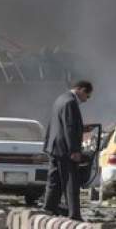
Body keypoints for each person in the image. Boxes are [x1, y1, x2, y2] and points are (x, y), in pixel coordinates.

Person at [41, 80, 93, 221]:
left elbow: (60, 124)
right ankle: (74, 214)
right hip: (64, 149)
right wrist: (74, 150)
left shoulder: (61, 98)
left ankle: (49, 208)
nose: (86, 100)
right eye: (87, 96)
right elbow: (69, 127)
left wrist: (82, 129)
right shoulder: (70, 102)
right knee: (71, 181)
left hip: (54, 147)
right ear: (81, 90)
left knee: (54, 179)